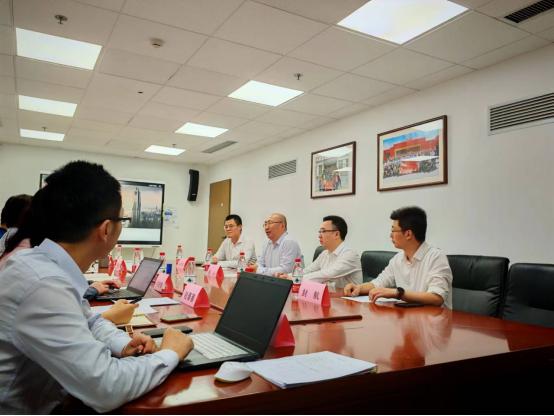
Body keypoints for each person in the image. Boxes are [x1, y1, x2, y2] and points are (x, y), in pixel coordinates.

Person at [0, 161, 193, 413]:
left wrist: (123, 343)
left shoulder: (44, 266)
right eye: (123, 219)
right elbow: (106, 386)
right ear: (106, 229)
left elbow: (87, 320)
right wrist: (169, 353)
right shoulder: (42, 283)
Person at [344, 206, 452, 308]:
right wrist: (358, 288)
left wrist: (398, 293)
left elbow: (437, 298)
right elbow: (378, 283)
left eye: (393, 231)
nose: (390, 235)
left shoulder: (436, 257)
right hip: (408, 317)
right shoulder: (398, 259)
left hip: (434, 319)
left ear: (408, 234)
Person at [277, 215, 362, 289]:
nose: (319, 236)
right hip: (331, 297)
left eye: (323, 231)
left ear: (336, 234)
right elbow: (308, 270)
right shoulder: (325, 253)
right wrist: (288, 276)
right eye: (320, 232)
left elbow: (326, 275)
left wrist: (295, 279)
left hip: (349, 300)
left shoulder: (350, 254)